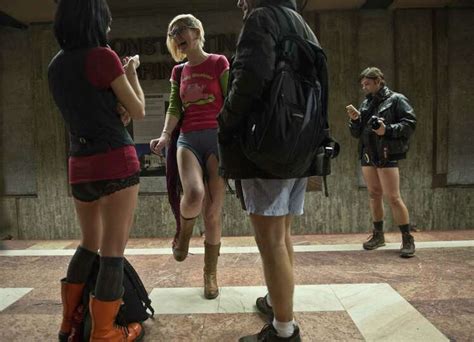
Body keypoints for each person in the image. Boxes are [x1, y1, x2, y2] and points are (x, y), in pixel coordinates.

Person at [218, 0, 324, 340]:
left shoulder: (261, 18)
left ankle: (283, 330)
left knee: (271, 241)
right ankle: (277, 301)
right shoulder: (299, 22)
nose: (240, 2)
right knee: (283, 235)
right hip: (298, 144)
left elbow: (249, 80)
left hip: (267, 145)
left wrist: (225, 121)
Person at [48, 0, 145, 340]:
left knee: (88, 243)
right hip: (115, 161)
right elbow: (138, 108)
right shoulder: (102, 56)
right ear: (94, 19)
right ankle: (104, 331)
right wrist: (130, 71)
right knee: (112, 251)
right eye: (106, 17)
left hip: (79, 164)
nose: (110, 22)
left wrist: (111, 107)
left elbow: (87, 107)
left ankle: (68, 322)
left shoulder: (55, 66)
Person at [149, 14, 229, 300]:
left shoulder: (219, 62)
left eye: (179, 30)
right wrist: (165, 135)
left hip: (217, 139)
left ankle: (210, 275)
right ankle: (183, 233)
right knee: (194, 192)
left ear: (196, 31)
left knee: (211, 213)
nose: (175, 37)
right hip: (188, 139)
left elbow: (230, 101)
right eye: (172, 34)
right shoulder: (178, 71)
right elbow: (174, 107)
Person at [346, 67, 417, 258]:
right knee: (373, 194)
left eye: (367, 83)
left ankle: (407, 238)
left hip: (386, 153)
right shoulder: (366, 103)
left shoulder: (396, 99)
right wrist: (354, 121)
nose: (364, 88)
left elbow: (410, 124)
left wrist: (388, 130)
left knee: (393, 196)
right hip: (368, 152)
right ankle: (378, 235)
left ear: (378, 81)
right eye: (362, 85)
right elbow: (356, 133)